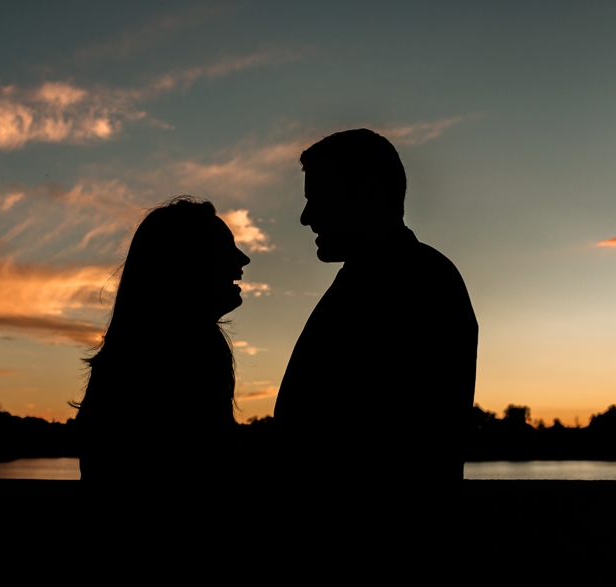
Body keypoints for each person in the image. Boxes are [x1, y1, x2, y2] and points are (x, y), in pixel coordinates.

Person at [273, 129, 478, 486]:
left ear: (369, 193)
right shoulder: (388, 276)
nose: (306, 217)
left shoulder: (411, 283)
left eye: (319, 197)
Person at [74, 196, 251, 484]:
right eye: (225, 248)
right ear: (188, 263)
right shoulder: (193, 350)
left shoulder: (134, 354)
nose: (243, 259)